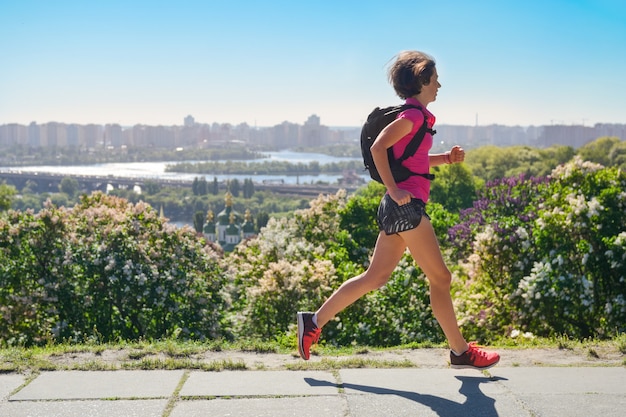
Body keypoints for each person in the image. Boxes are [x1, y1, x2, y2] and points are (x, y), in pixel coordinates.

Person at [297, 50, 500, 370]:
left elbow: (411, 161)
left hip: (400, 207)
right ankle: (460, 352)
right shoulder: (413, 116)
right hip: (405, 207)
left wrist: (445, 159)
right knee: (441, 278)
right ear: (420, 81)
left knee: (374, 277)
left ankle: (313, 321)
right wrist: (393, 188)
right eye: (434, 79)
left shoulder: (416, 118)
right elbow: (379, 147)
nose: (439, 85)